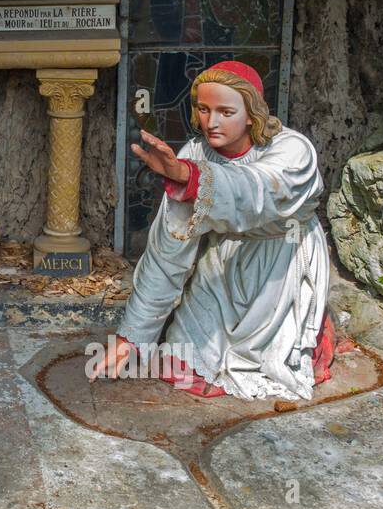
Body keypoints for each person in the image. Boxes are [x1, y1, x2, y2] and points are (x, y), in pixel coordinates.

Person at [89, 61, 335, 401]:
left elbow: (256, 191)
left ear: (251, 114)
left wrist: (190, 178)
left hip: (278, 264)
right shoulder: (194, 154)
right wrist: (133, 334)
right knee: (177, 363)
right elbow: (168, 250)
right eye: (204, 109)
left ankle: (309, 332)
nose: (212, 122)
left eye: (226, 111)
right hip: (219, 265)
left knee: (270, 362)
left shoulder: (293, 150)